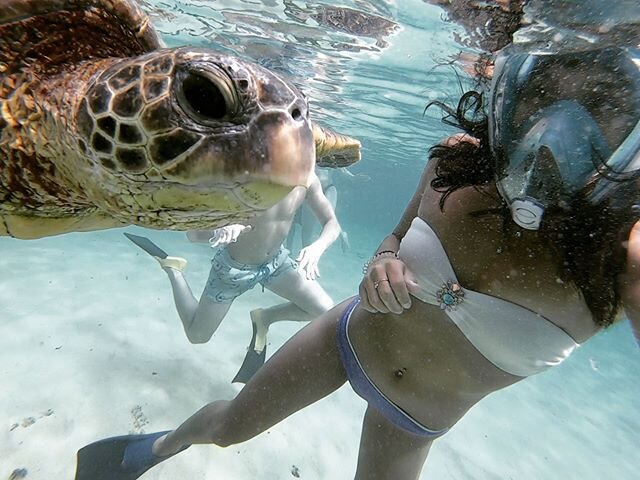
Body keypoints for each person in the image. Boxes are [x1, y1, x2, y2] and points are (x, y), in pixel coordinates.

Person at [75, 45, 640, 480]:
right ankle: (149, 450)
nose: (560, 133)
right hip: (345, 338)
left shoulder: (624, 255)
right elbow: (393, 236)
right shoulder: (457, 159)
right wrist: (384, 260)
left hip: (415, 418)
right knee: (228, 428)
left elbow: (328, 221)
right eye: (544, 94)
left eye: (604, 105)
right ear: (510, 94)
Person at [124, 169, 340, 382]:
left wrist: (318, 247)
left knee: (323, 309)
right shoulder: (242, 179)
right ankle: (173, 270)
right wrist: (218, 229)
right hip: (232, 271)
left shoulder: (308, 179)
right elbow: (193, 234)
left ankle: (265, 317)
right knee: (197, 336)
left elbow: (332, 223)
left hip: (275, 263)